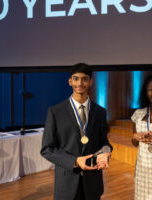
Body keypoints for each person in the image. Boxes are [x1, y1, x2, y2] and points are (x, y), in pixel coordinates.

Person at [40, 63, 112, 200]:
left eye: (84, 79)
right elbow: (47, 149)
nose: (80, 83)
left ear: (90, 82)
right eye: (76, 78)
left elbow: (104, 142)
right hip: (67, 183)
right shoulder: (55, 112)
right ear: (70, 81)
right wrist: (75, 161)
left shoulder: (100, 112)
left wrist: (105, 152)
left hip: (93, 183)